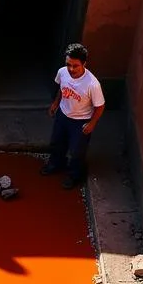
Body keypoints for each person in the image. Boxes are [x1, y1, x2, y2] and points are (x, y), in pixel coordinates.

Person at [42, 43, 105, 189]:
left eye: (75, 66)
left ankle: (74, 175)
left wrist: (92, 124)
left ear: (84, 64)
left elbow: (100, 106)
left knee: (77, 151)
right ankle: (55, 164)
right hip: (63, 115)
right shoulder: (62, 72)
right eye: (68, 64)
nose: (71, 69)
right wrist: (55, 104)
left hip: (80, 122)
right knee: (57, 142)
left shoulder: (92, 84)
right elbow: (61, 88)